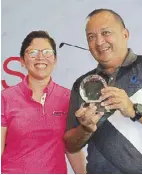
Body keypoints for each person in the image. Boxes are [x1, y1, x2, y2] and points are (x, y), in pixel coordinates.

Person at [64, 9, 142, 174]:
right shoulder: (83, 84)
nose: (99, 42)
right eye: (91, 37)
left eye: (106, 33)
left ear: (125, 34)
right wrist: (85, 129)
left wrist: (134, 110)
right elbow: (70, 145)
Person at [1, 30, 86, 174]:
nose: (40, 57)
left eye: (47, 52)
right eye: (33, 53)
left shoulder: (68, 98)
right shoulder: (6, 98)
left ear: (55, 59)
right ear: (22, 61)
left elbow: (72, 148)